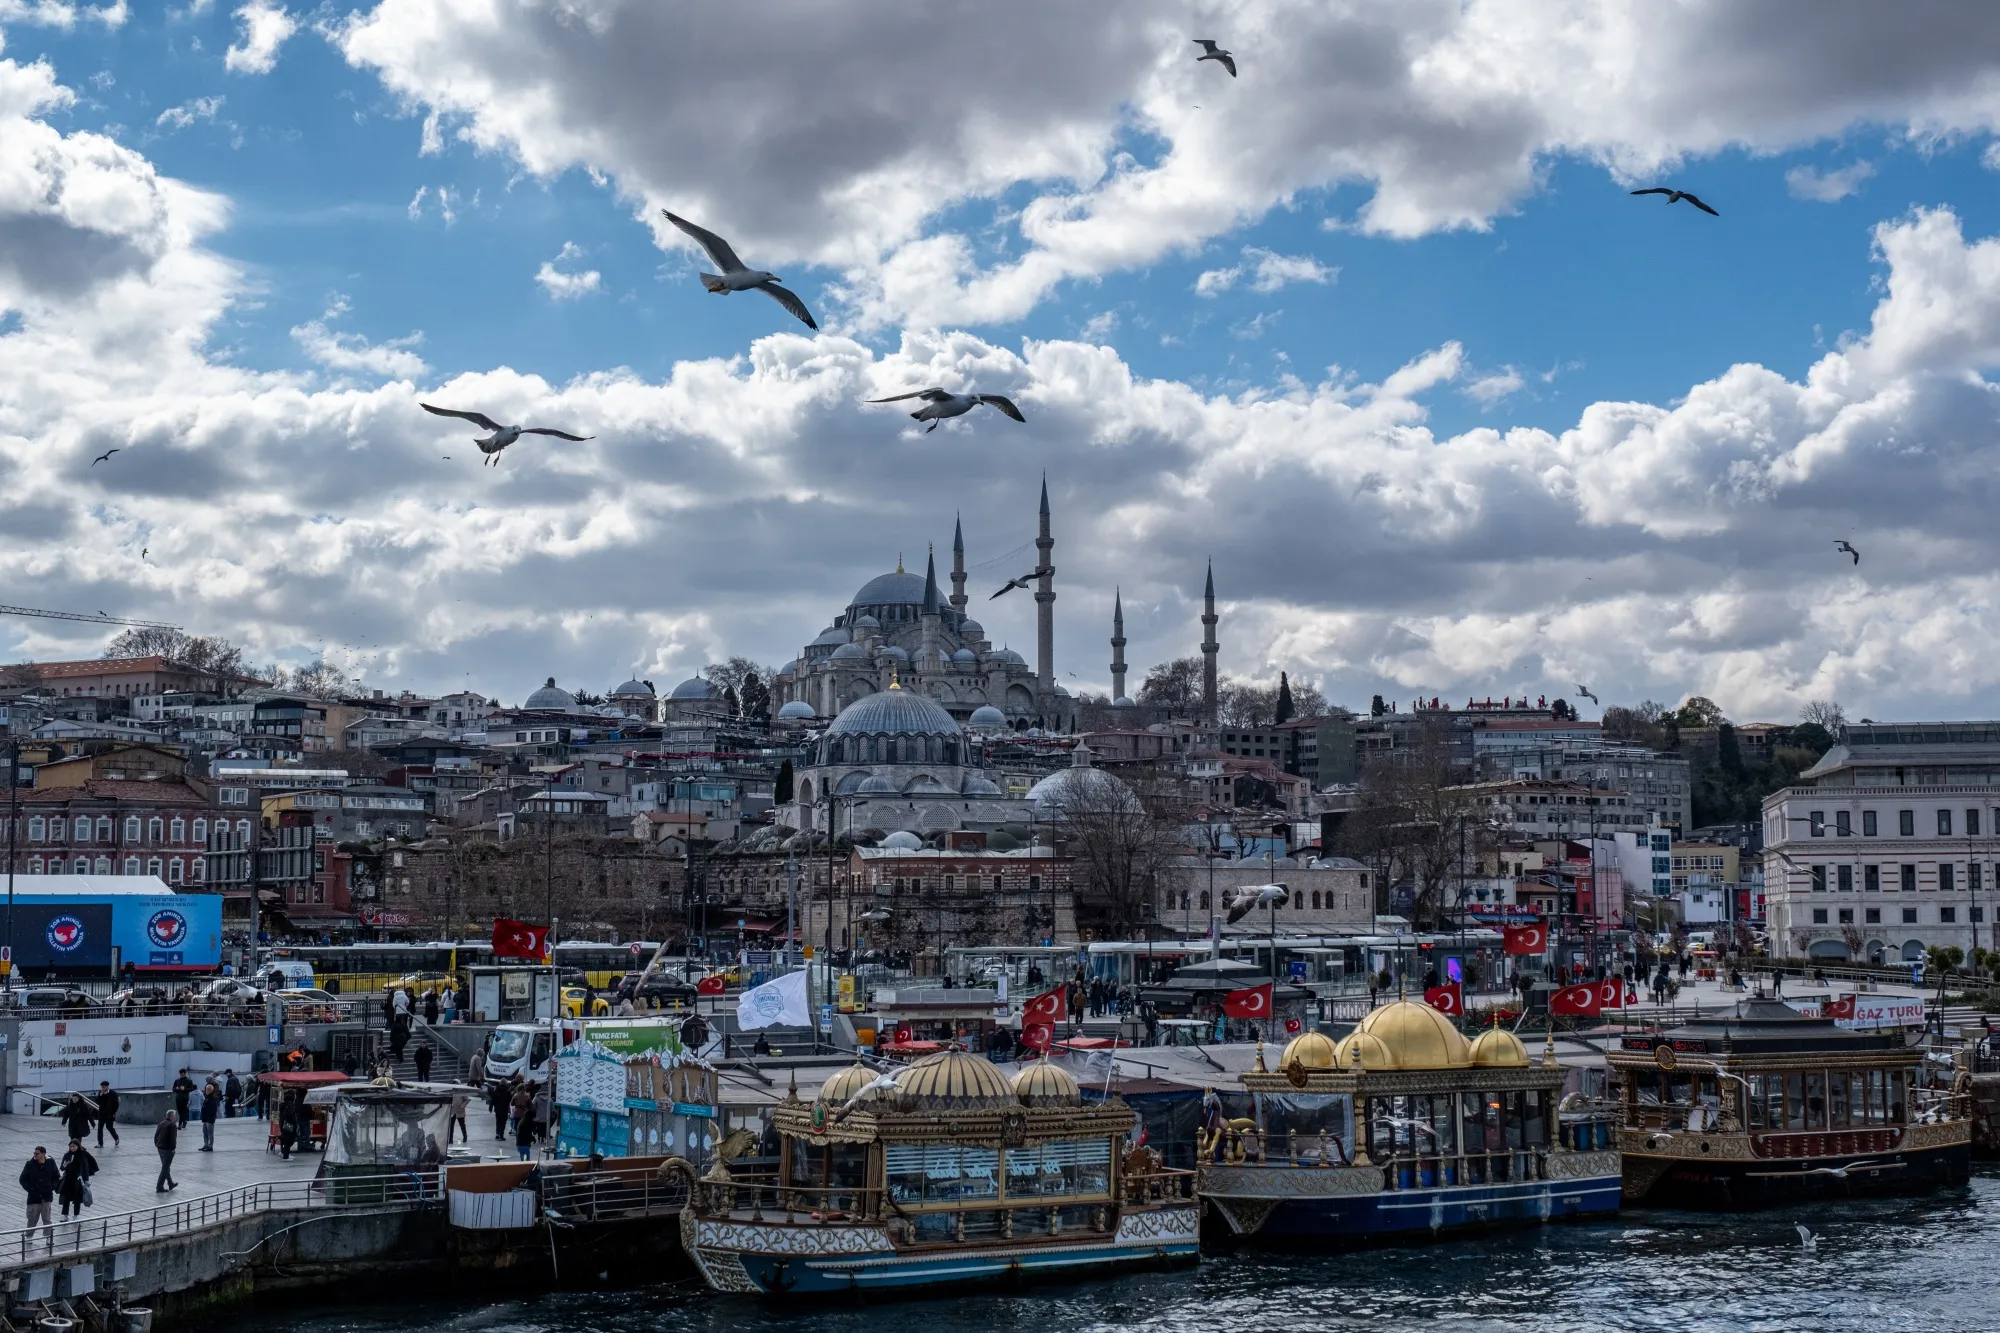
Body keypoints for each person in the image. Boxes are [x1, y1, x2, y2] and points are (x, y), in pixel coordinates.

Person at [20, 1146, 58, 1237]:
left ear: (43, 1154)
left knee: (47, 1219)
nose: (35, 1155)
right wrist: (30, 1189)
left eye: (37, 1153)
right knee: (32, 1219)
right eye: (34, 1153)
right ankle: (29, 1236)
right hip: (33, 1197)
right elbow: (22, 1179)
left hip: (46, 1196)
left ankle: (48, 1237)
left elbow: (56, 1176)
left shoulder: (50, 1162)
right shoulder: (30, 1164)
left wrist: (52, 1186)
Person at [57, 1139, 96, 1219]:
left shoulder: (82, 1155)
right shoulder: (67, 1155)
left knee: (77, 1198)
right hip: (68, 1179)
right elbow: (62, 1168)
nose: (72, 1148)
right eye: (71, 1146)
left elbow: (85, 1168)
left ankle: (76, 1215)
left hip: (78, 1180)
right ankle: (65, 1215)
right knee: (66, 1198)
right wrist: (64, 1165)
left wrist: (86, 1180)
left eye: (74, 1146)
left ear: (78, 1146)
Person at [154, 1110, 179, 1192]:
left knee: (166, 1166)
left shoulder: (161, 1123)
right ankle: (159, 1186)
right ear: (172, 1116)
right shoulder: (172, 1125)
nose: (176, 1117)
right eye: (175, 1115)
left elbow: (156, 1136)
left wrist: (157, 1144)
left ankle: (170, 1183)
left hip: (160, 1148)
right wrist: (173, 1149)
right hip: (167, 1149)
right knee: (165, 1168)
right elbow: (173, 1139)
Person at [94, 1082, 120, 1147]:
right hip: (102, 1113)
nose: (103, 1088)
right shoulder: (100, 1092)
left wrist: (113, 1113)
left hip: (110, 1114)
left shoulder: (113, 1093)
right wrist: (100, 1095)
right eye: (102, 1087)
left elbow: (116, 1104)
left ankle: (116, 1138)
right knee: (100, 1128)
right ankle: (100, 1143)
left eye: (104, 1087)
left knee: (109, 1127)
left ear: (107, 1086)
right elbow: (97, 1101)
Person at [199, 1078, 222, 1150]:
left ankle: (210, 1146)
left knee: (210, 1133)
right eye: (206, 1089)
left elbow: (212, 1110)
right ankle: (206, 1144)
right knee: (205, 1132)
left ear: (211, 1090)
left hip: (209, 1119)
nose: (206, 1091)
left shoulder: (212, 1098)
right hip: (205, 1119)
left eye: (208, 1090)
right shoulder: (207, 1097)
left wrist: (209, 1117)